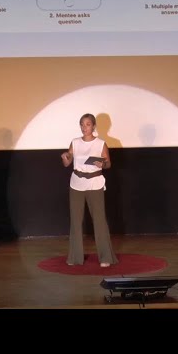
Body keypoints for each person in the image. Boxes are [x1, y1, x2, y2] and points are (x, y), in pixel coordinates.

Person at [61, 113, 118, 267]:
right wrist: (65, 157)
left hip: (94, 183)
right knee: (75, 221)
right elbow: (67, 163)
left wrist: (102, 164)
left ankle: (105, 257)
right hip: (76, 184)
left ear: (93, 126)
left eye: (87, 124)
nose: (84, 127)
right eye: (82, 124)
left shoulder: (100, 143)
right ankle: (75, 257)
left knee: (99, 221)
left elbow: (108, 164)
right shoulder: (75, 142)